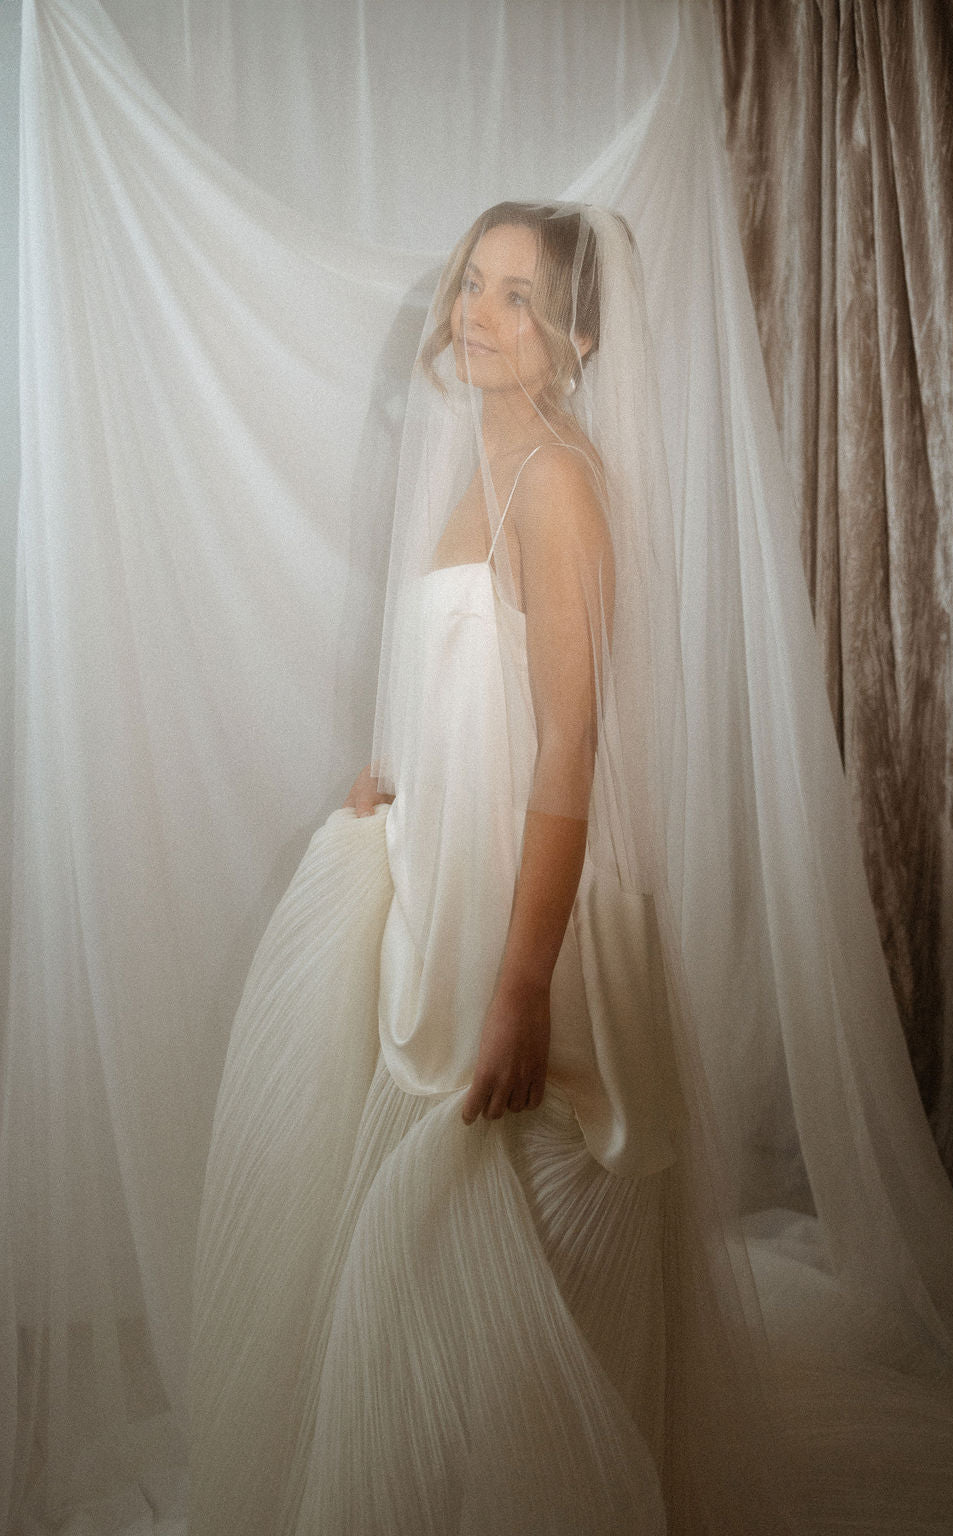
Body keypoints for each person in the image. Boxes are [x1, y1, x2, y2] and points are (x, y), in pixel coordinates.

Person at [188, 202, 791, 1536]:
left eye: (519, 297)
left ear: (575, 336)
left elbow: (573, 742)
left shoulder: (559, 480)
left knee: (501, 1259)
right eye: (475, 282)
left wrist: (523, 988)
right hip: (458, 875)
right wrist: (407, 775)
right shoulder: (484, 459)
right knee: (433, 1263)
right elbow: (489, 697)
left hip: (536, 923)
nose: (477, 311)